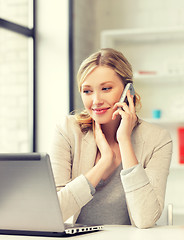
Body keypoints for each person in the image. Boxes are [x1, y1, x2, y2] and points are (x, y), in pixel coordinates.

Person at [50, 48, 172, 229]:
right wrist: (104, 162)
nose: (96, 100)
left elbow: (145, 218)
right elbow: (54, 211)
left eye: (106, 88)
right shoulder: (68, 131)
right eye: (87, 91)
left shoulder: (158, 140)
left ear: (127, 90)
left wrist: (124, 140)